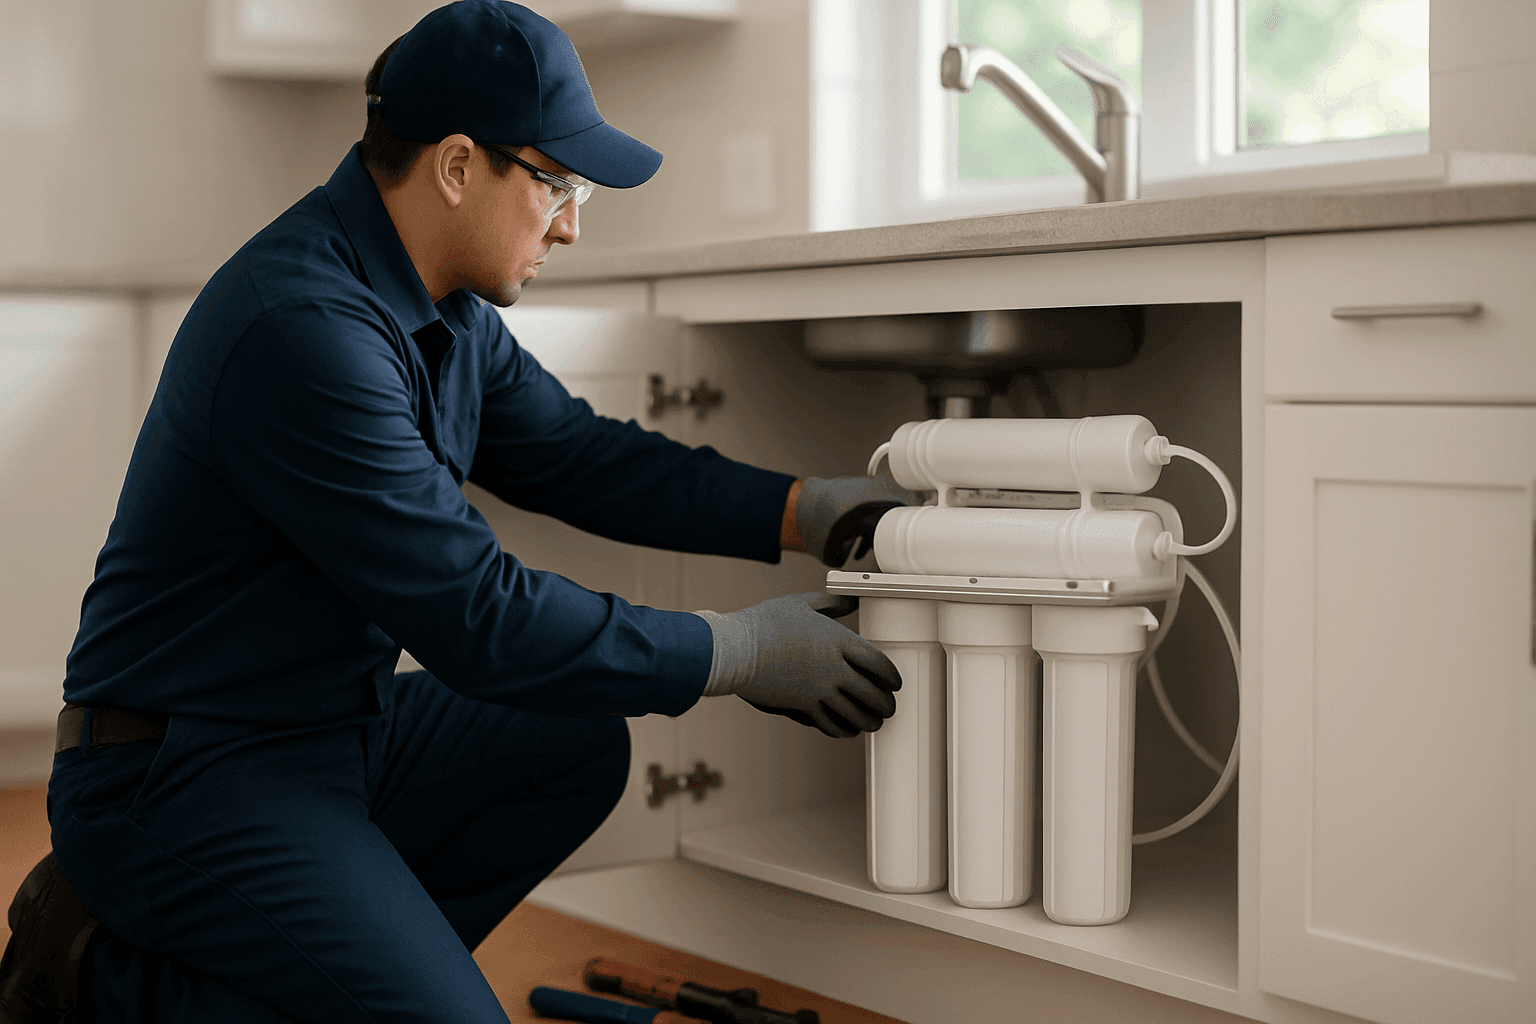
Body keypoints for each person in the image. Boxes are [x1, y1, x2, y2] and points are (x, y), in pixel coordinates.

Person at [0, 3, 911, 1022]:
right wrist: (737, 653)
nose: (570, 222)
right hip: (178, 772)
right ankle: (94, 978)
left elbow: (581, 457)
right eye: (556, 183)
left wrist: (807, 508)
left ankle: (323, 972)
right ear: (458, 166)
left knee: (573, 744)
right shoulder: (304, 328)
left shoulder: (446, 312)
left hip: (330, 726)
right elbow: (481, 617)